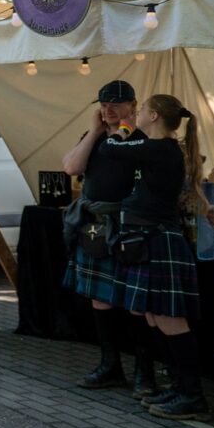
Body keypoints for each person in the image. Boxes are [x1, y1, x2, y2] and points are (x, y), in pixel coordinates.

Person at [102, 94, 210, 420]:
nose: (138, 116)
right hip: (150, 240)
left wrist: (122, 126)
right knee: (152, 316)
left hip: (159, 240)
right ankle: (179, 387)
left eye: (143, 111)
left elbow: (110, 150)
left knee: (169, 318)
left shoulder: (161, 148)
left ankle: (192, 395)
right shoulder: (159, 149)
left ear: (153, 116)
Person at [61, 81, 159, 397]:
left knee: (135, 303)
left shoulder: (142, 140)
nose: (109, 110)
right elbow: (71, 167)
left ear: (134, 104)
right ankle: (110, 366)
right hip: (95, 227)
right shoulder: (94, 138)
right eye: (104, 104)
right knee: (100, 298)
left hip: (129, 226)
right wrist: (93, 130)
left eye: (116, 104)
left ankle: (145, 374)